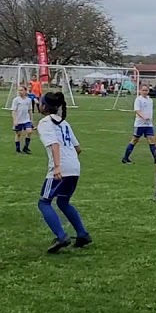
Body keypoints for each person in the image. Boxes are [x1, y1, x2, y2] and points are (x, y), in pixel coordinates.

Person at [35, 92, 91, 253]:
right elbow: (78, 148)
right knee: (63, 202)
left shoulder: (45, 123)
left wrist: (58, 166)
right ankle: (82, 234)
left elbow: (54, 145)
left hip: (61, 168)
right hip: (74, 167)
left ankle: (61, 236)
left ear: (45, 106)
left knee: (44, 202)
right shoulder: (64, 123)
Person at [123, 85, 156, 164]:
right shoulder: (138, 100)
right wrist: (144, 117)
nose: (145, 92)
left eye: (146, 90)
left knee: (151, 140)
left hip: (148, 124)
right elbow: (137, 110)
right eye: (143, 90)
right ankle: (125, 158)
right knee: (135, 140)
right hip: (140, 124)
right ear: (140, 91)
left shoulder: (150, 100)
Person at [10, 85, 34, 154]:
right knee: (18, 134)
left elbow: (30, 110)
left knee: (29, 131)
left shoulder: (28, 100)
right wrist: (15, 120)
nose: (20, 92)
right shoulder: (16, 100)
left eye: (21, 90)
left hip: (26, 119)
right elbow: (14, 111)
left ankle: (26, 147)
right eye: (19, 90)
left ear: (25, 91)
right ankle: (18, 149)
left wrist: (31, 120)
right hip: (19, 120)